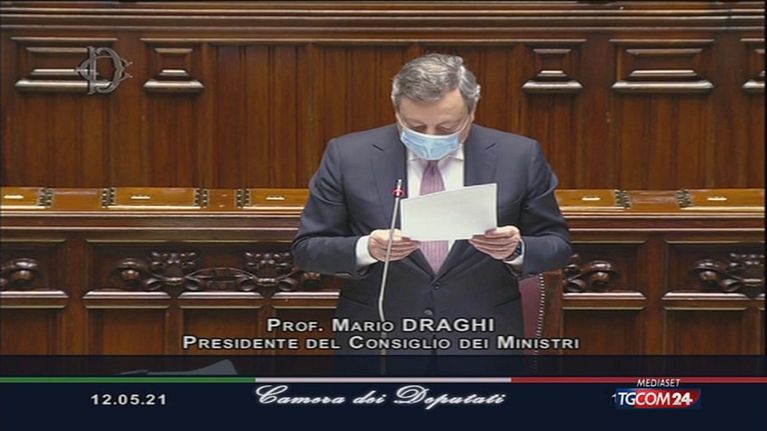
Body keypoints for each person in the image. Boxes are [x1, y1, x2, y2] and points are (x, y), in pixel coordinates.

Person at [292, 53, 571, 355]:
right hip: (380, 343)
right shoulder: (348, 156)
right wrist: (366, 249)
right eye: (415, 126)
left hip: (482, 343)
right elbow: (307, 250)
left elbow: (556, 246)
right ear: (396, 108)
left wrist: (515, 249)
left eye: (447, 127)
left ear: (472, 111)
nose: (430, 137)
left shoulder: (519, 156)